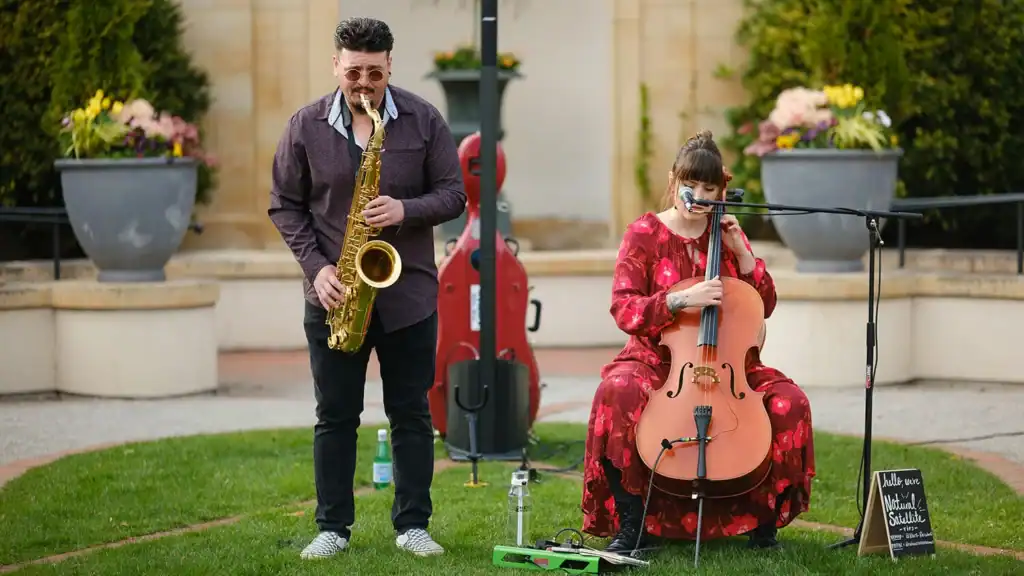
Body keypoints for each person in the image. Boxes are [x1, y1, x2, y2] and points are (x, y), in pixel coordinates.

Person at [268, 17, 466, 559]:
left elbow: (454, 195)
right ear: (335, 64)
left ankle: (412, 527)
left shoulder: (424, 120)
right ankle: (332, 527)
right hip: (334, 295)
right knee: (335, 416)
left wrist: (405, 209)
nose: (363, 85)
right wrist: (318, 268)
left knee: (411, 413)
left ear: (390, 67)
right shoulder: (304, 126)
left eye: (373, 74)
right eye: (353, 71)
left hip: (407, 297)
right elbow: (284, 205)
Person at [580, 130, 815, 554]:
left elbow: (764, 306)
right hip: (657, 358)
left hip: (727, 363)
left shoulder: (723, 237)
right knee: (618, 392)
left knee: (788, 402)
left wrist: (743, 254)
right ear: (673, 181)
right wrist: (679, 300)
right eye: (692, 185)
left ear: (721, 190)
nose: (699, 196)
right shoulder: (644, 233)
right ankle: (634, 523)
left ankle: (762, 524)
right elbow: (624, 308)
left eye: (710, 188)